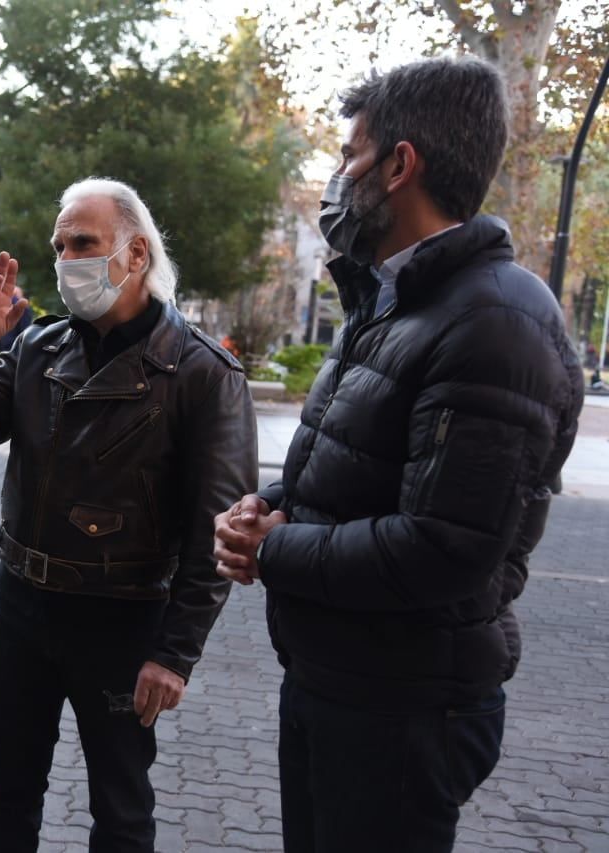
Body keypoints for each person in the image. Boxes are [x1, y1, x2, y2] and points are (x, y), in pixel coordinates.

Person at [213, 57, 584, 853]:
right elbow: (361, 463)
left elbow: (441, 547)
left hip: (402, 708)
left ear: (399, 165)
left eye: (350, 156)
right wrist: (270, 507)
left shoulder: (494, 322)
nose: (338, 179)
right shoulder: (391, 299)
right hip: (339, 680)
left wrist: (275, 550)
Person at [0, 177, 257, 851]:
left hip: (124, 616)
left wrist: (175, 653)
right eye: (60, 245)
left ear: (135, 255)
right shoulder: (38, 349)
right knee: (7, 790)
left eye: (85, 243)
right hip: (21, 604)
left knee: (120, 806)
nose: (68, 258)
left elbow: (214, 528)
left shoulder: (199, 372)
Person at [0, 282, 34, 353]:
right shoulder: (22, 307)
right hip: (16, 346)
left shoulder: (1, 306)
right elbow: (25, 329)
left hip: (5, 345)